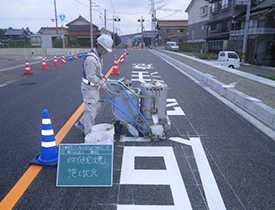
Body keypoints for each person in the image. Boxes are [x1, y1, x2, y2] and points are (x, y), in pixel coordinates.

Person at [75, 34, 113, 136]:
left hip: (93, 87)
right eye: (105, 49)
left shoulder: (97, 56)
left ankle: (82, 123)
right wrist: (102, 83)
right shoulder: (91, 59)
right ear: (100, 46)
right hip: (89, 88)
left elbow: (96, 72)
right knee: (90, 111)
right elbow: (91, 76)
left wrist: (103, 77)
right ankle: (89, 135)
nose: (106, 52)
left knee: (97, 107)